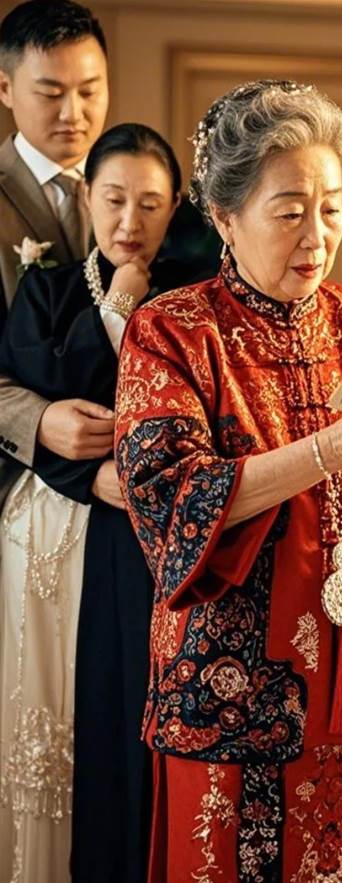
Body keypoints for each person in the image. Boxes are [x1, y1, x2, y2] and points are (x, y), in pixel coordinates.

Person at [114, 79, 342, 881]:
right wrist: (330, 449)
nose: (317, 235)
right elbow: (171, 501)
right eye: (289, 212)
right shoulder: (173, 332)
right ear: (224, 216)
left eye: (332, 208)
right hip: (238, 687)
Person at [0, 123, 201, 883]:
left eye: (150, 204)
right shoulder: (48, 287)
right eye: (114, 199)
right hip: (53, 527)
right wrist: (115, 307)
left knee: (130, 709)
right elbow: (41, 391)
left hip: (148, 535)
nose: (128, 222)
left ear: (175, 205)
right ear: (87, 195)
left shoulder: (194, 295)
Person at [0, 0, 114, 519]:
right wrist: (39, 422)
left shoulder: (139, 186)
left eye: (89, 91)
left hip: (124, 489)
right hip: (16, 489)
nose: (74, 113)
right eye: (50, 93)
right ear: (5, 88)